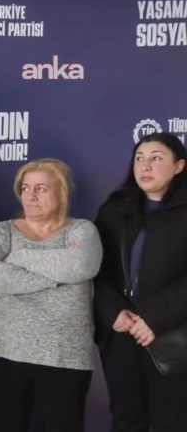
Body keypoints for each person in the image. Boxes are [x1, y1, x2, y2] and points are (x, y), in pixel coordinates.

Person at [0, 158, 102, 432]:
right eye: (25, 188)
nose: (30, 196)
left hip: (64, 354)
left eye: (41, 189)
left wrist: (17, 257)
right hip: (7, 351)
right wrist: (55, 280)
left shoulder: (82, 231)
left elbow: (82, 265)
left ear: (61, 192)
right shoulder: (3, 231)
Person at [94, 132, 187, 432]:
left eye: (156, 158)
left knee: (172, 421)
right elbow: (95, 271)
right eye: (139, 158)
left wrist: (154, 317)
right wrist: (112, 312)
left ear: (179, 166)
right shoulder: (114, 210)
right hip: (122, 333)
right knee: (126, 419)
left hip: (174, 335)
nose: (145, 166)